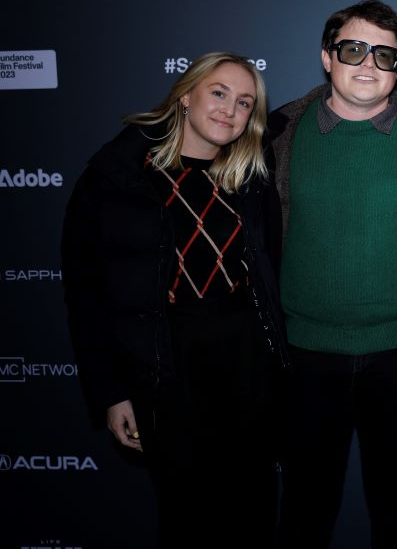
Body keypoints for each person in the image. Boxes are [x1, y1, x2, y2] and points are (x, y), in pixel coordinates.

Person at [62, 52, 287, 548]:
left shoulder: (252, 177)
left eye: (245, 102)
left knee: (253, 511)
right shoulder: (117, 177)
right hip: (167, 368)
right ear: (185, 97)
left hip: (247, 363)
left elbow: (271, 272)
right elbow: (87, 294)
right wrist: (112, 391)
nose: (230, 110)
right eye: (219, 93)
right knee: (186, 515)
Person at [270, 0, 397, 549]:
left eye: (385, 54)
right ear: (327, 57)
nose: (367, 63)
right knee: (305, 509)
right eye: (353, 49)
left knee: (395, 509)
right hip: (305, 355)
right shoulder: (279, 132)